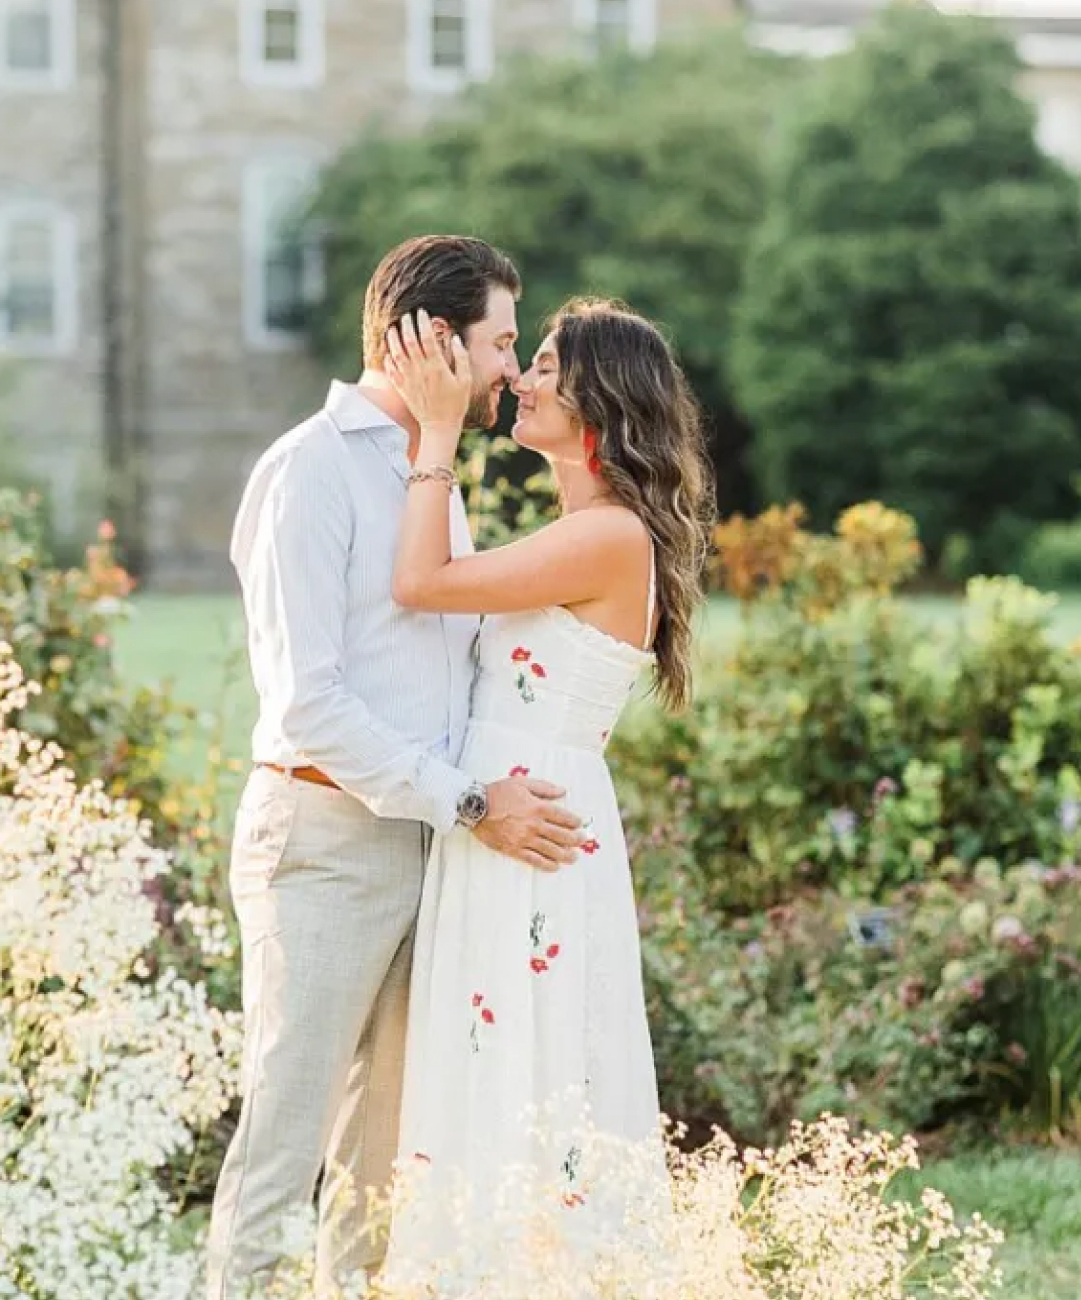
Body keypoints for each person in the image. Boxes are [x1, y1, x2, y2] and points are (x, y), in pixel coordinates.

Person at [205, 236, 586, 1298]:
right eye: (503, 341)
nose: (513, 368)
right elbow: (308, 702)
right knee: (281, 1148)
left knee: (379, 1171)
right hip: (323, 846)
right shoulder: (310, 469)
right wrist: (471, 801)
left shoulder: (429, 472)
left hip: (430, 845)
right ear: (427, 338)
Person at [379, 298, 713, 1281]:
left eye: (548, 365)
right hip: (510, 822)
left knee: (527, 1065)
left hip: (532, 832)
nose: (520, 378)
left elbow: (420, 582)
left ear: (600, 398)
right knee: (499, 1059)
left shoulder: (608, 537)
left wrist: (436, 428)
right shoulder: (586, 528)